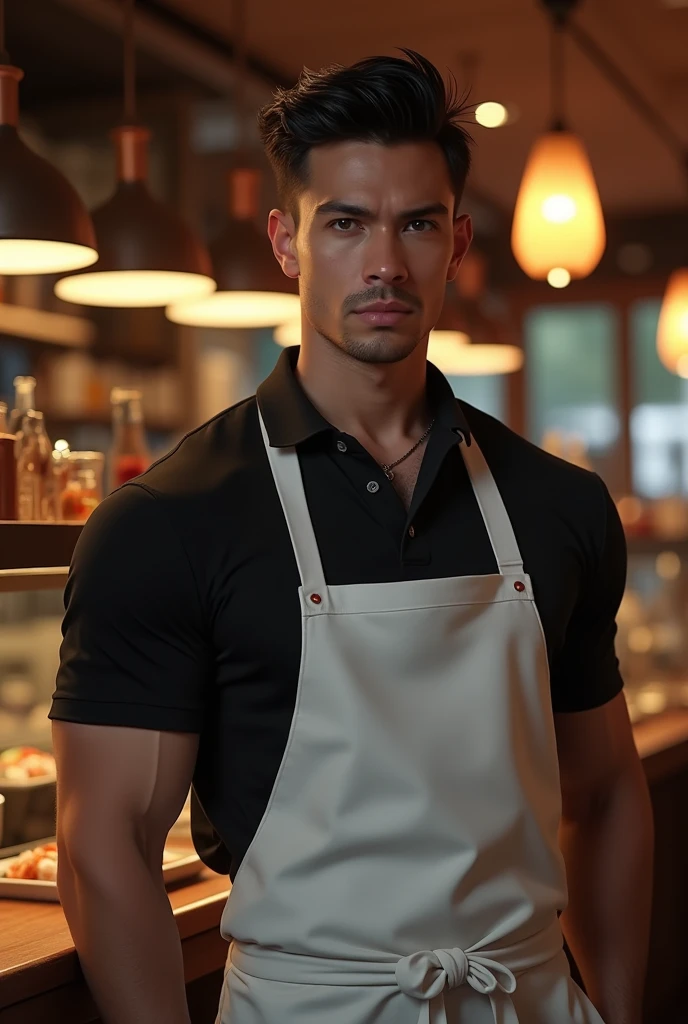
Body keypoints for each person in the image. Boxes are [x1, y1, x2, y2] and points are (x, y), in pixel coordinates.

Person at [50, 48, 653, 1024]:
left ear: (457, 241)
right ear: (286, 242)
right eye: (346, 223)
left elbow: (608, 792)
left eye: (416, 223)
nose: (384, 261)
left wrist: (619, 1010)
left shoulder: (556, 505)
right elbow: (103, 841)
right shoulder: (167, 522)